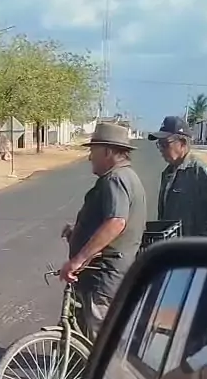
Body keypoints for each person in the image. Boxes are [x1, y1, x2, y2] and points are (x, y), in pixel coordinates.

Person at [60, 122, 147, 339]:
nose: (90, 157)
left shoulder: (115, 179)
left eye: (93, 150)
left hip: (104, 275)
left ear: (108, 152)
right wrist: (79, 231)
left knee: (101, 340)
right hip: (105, 273)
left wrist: (78, 260)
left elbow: (116, 222)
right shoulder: (125, 177)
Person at [148, 116, 207, 237]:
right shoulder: (167, 173)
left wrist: (201, 243)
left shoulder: (200, 172)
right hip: (174, 245)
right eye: (159, 144)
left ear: (183, 143)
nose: (161, 149)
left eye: (165, 144)